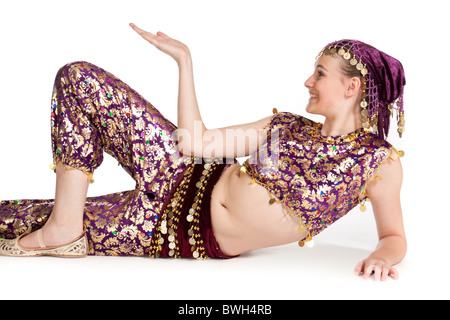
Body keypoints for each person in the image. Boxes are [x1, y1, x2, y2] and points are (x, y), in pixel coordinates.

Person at [0, 23, 406, 281]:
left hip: (169, 230)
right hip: (178, 169)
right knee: (78, 77)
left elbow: (393, 236)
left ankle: (57, 225)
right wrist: (184, 62)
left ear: (352, 87)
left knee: (17, 218)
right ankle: (64, 226)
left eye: (320, 74)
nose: (307, 81)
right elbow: (195, 143)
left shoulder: (377, 163)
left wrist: (383, 257)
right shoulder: (286, 127)